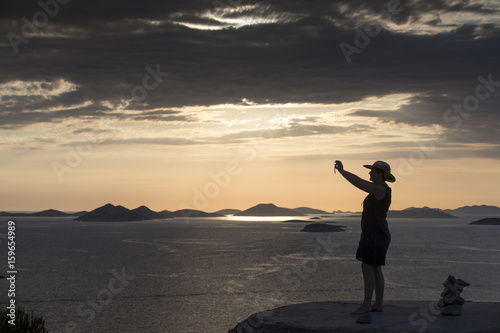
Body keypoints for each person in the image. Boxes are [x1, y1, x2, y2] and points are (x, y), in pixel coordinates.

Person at [334, 160, 395, 315]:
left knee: (368, 267)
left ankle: (367, 305)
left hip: (375, 234)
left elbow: (359, 183)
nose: (369, 173)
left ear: (380, 174)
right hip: (374, 233)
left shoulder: (379, 189)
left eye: (372, 171)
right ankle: (378, 304)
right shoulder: (380, 190)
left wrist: (342, 171)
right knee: (375, 268)